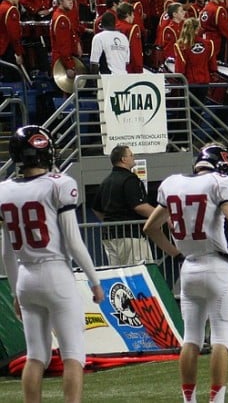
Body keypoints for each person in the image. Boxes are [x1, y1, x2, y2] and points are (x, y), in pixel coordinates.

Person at [0, 126, 103, 403]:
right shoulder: (59, 183)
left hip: (25, 277)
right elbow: (73, 240)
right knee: (73, 355)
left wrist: (14, 293)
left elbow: (7, 253)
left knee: (36, 356)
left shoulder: (4, 190)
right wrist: (94, 280)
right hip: (55, 272)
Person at [142, 145, 228, 403]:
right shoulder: (219, 183)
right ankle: (216, 400)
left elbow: (150, 227)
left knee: (190, 340)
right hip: (217, 266)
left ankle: (189, 400)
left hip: (189, 269)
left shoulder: (172, 183)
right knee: (222, 339)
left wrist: (176, 253)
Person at [93, 144, 154, 265]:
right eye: (131, 155)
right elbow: (140, 206)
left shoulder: (106, 181)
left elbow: (96, 208)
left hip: (109, 236)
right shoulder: (130, 180)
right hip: (130, 236)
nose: (133, 157)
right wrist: (163, 216)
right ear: (124, 159)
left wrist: (110, 221)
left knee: (119, 274)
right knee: (139, 273)